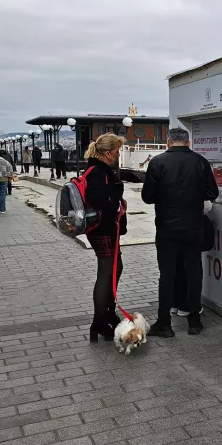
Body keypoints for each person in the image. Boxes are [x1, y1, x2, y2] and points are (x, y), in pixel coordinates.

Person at [142, 127, 218, 337]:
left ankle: (164, 324)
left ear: (167, 142)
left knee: (167, 275)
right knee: (194, 273)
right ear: (188, 142)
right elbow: (213, 192)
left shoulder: (157, 162)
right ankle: (194, 321)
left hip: (167, 228)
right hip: (193, 227)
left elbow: (147, 197)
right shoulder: (200, 161)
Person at [82, 133, 127, 342]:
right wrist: (117, 205)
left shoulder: (98, 170)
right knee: (106, 271)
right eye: (117, 152)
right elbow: (99, 200)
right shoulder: (98, 173)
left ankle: (107, 313)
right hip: (103, 229)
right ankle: (99, 321)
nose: (118, 155)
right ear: (108, 153)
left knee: (115, 267)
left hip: (107, 229)